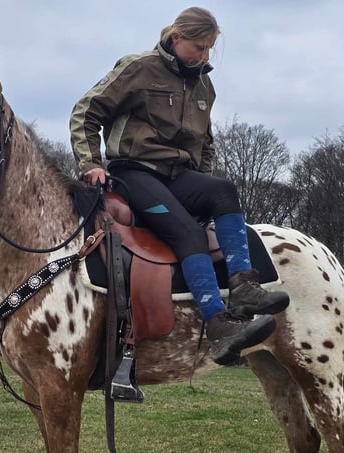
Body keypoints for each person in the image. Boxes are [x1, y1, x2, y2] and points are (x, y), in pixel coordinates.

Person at [70, 6, 289, 365]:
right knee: (188, 233)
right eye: (198, 47)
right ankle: (219, 325)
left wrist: (203, 181)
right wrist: (90, 163)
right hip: (135, 172)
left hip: (179, 175)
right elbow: (86, 111)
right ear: (176, 39)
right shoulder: (138, 68)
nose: (203, 56)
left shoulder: (204, 84)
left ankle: (244, 287)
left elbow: (206, 142)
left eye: (208, 50)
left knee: (224, 190)